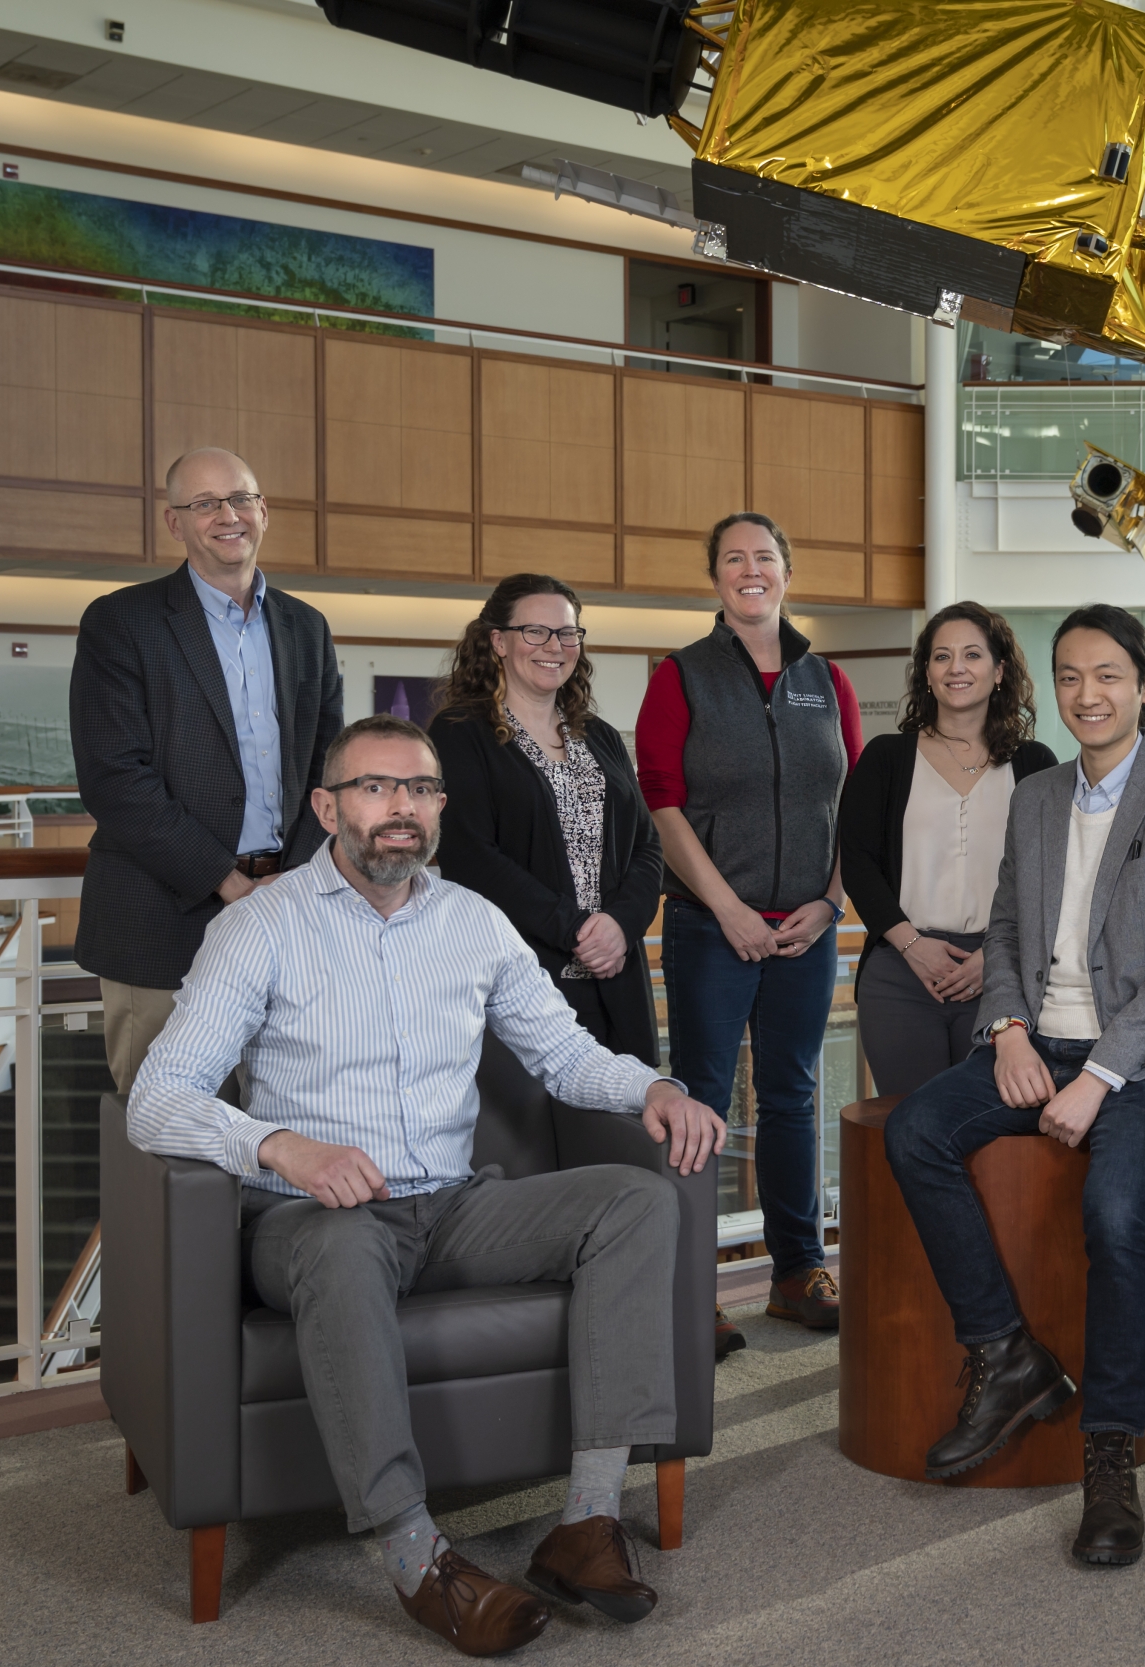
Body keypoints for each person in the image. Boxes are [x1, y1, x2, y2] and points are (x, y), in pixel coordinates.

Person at [125, 715, 728, 1658]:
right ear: (328, 807)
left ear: (440, 807)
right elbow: (158, 1097)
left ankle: (585, 1523)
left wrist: (649, 1085)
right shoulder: (261, 925)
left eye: (419, 789)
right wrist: (283, 1147)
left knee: (634, 1199)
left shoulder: (473, 921)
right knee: (340, 1239)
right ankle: (417, 1558)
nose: (399, 808)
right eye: (375, 787)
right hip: (312, 1216)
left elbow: (562, 1053)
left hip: (454, 1203)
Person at [881, 605, 1145, 1568]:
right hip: (1036, 1040)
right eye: (1071, 676)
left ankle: (1108, 1454)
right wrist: (1003, 1030)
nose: (1089, 694)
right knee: (914, 1131)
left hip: (1141, 1059)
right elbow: (1001, 932)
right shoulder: (1036, 795)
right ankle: (1009, 1353)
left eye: (1109, 675)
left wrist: (1102, 1075)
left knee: (1117, 1215)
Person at [636, 511, 863, 1351]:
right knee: (697, 1100)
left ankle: (797, 1270)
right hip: (708, 928)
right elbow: (659, 796)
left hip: (808, 932)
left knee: (795, 1096)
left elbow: (854, 803)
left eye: (764, 556)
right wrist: (726, 907)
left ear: (787, 571)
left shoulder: (825, 678)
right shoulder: (682, 674)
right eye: (733, 559)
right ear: (717, 579)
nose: (750, 569)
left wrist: (833, 903)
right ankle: (693, 1289)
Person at [71, 446, 343, 1093]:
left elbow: (327, 771)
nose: (228, 515)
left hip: (285, 912)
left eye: (241, 497)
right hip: (160, 921)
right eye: (205, 503)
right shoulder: (121, 623)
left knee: (290, 1125)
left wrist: (292, 882)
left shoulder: (308, 627)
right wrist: (226, 881)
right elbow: (115, 777)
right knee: (166, 1145)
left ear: (263, 510)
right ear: (175, 522)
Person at [431, 574, 665, 1065]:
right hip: (526, 971)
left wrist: (620, 926)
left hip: (615, 968)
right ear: (497, 641)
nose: (553, 646)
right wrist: (577, 930)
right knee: (537, 1130)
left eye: (566, 633)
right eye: (534, 632)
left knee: (622, 1125)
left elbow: (647, 845)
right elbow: (470, 857)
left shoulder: (599, 735)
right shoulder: (459, 733)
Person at [838, 602, 1056, 1100]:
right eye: (942, 656)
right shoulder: (886, 758)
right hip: (901, 975)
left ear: (999, 671)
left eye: (972, 654)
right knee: (910, 1128)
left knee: (995, 1135)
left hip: (1003, 975)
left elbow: (1053, 875)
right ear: (927, 675)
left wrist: (996, 959)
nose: (956, 667)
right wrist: (913, 946)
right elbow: (858, 863)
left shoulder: (1036, 765)